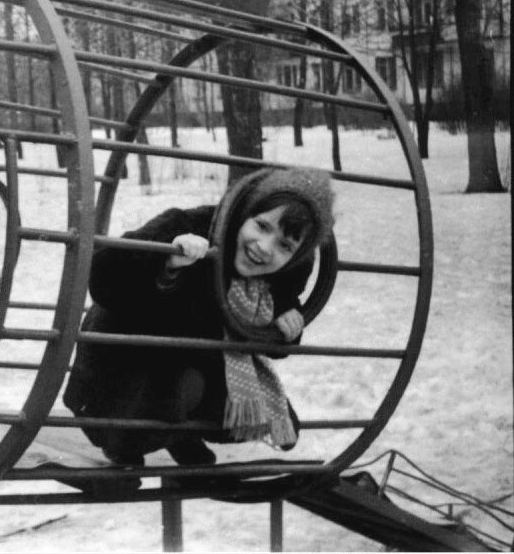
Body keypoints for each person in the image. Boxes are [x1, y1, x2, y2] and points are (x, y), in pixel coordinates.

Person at [63, 166, 335, 483]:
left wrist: (287, 321)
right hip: (120, 373)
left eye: (285, 246)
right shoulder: (188, 226)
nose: (264, 246)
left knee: (273, 418)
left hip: (192, 367)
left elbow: (272, 327)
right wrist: (166, 261)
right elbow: (104, 277)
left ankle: (178, 434)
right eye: (261, 226)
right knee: (176, 392)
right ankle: (125, 442)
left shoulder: (276, 278)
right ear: (244, 213)